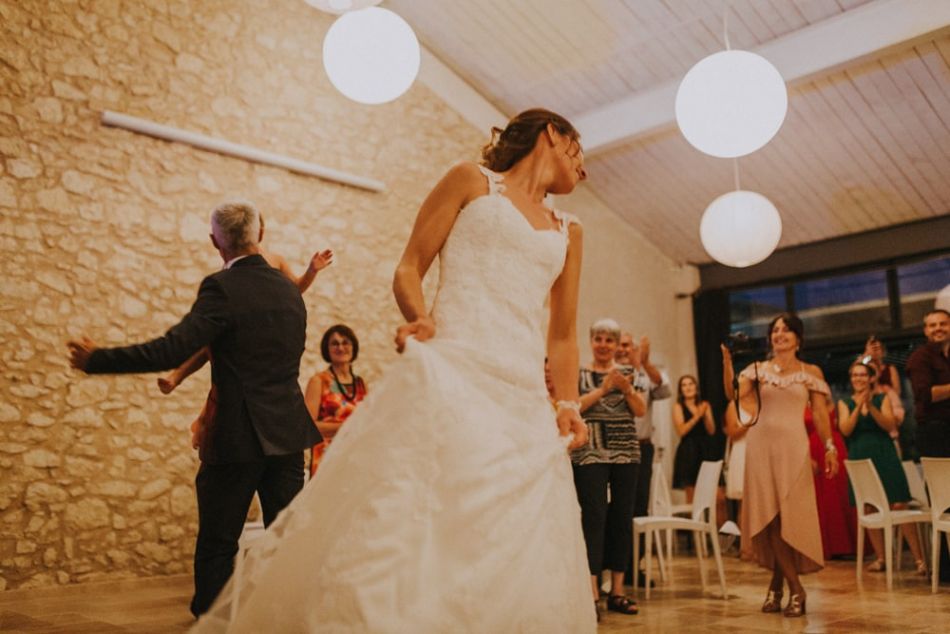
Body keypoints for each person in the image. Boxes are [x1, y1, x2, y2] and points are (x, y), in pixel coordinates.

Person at [191, 108, 596, 632]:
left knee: (512, 536)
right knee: (420, 517)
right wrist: (420, 318)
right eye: (579, 152)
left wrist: (565, 403)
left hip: (520, 397)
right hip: (453, 370)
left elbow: (563, 334)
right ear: (552, 134)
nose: (584, 171)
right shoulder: (470, 181)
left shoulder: (570, 231)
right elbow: (408, 267)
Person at [66, 201, 322, 617]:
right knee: (287, 541)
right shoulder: (289, 291)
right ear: (262, 232)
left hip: (238, 435)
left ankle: (214, 623)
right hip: (290, 434)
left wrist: (98, 360)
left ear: (214, 241)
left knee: (220, 542)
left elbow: (172, 348)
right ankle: (285, 619)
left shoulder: (222, 288)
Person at [156, 218, 333, 449]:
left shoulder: (275, 259)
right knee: (215, 349)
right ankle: (178, 379)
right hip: (243, 323)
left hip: (267, 326)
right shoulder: (231, 266)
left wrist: (311, 271)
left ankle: (197, 412)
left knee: (226, 364)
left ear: (259, 232)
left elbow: (295, 290)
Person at [721, 313, 838, 618]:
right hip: (761, 449)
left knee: (790, 517)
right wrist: (727, 364)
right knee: (771, 518)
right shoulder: (757, 369)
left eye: (786, 330)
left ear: (798, 338)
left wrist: (829, 448)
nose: (780, 334)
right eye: (775, 330)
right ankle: (796, 589)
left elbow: (822, 415)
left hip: (794, 450)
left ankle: (777, 585)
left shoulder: (810, 371)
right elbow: (732, 395)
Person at [572, 319, 647, 617]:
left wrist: (627, 388)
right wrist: (603, 389)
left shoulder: (630, 373)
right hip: (590, 451)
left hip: (626, 452)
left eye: (609, 340)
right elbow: (574, 405)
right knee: (594, 516)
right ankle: (592, 590)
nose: (603, 345)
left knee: (621, 517)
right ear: (591, 341)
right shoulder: (580, 373)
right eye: (598, 339)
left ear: (618, 346)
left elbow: (640, 411)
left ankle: (617, 590)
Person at [838, 359, 926, 575]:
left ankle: (919, 560)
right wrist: (859, 406)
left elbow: (889, 425)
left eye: (862, 375)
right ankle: (881, 558)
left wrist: (871, 407)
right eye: (855, 375)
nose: (858, 379)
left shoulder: (882, 398)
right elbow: (846, 430)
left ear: (870, 378)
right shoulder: (844, 403)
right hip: (860, 456)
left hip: (885, 455)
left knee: (899, 505)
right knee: (869, 507)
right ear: (851, 379)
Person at [616, 332, 671, 585]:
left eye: (626, 345)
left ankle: (631, 568)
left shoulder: (646, 375)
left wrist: (645, 363)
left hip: (641, 448)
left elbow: (665, 390)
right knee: (616, 510)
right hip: (613, 448)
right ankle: (613, 567)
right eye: (619, 345)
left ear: (636, 349)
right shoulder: (607, 373)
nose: (621, 349)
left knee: (637, 508)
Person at [905, 307, 950, 583]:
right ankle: (945, 570)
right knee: (944, 504)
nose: (938, 329)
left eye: (943, 324)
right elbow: (925, 394)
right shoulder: (920, 358)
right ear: (925, 330)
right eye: (932, 325)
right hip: (936, 435)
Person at [304, 324, 367, 478]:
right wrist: (346, 427)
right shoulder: (318, 381)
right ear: (327, 349)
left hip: (355, 456)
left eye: (345, 342)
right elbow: (307, 426)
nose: (340, 347)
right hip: (327, 458)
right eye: (335, 343)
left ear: (353, 347)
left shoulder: (361, 384)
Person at [805, 399, 855, 560]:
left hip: (834, 445)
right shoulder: (800, 401)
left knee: (839, 495)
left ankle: (846, 545)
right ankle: (826, 545)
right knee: (822, 499)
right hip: (811, 448)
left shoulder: (834, 403)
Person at [671, 375, 715, 503]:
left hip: (705, 448)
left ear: (696, 386)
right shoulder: (678, 407)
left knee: (711, 492)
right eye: (684, 385)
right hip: (688, 451)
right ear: (680, 390)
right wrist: (697, 415)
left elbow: (711, 430)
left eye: (690, 384)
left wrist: (706, 415)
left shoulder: (704, 405)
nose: (688, 387)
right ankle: (692, 522)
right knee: (692, 495)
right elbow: (681, 431)